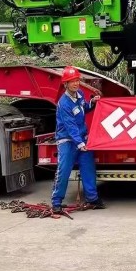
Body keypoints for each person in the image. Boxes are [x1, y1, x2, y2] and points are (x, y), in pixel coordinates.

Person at [51, 65, 106, 214]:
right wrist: (80, 143)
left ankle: (92, 199)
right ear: (65, 84)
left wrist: (92, 103)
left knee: (88, 168)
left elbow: (84, 109)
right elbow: (70, 126)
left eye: (77, 80)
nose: (75, 83)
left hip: (81, 138)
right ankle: (56, 202)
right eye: (72, 81)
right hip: (67, 141)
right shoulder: (64, 103)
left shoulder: (80, 94)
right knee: (64, 170)